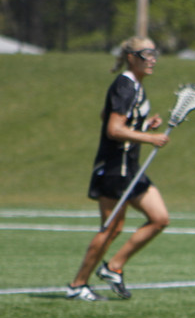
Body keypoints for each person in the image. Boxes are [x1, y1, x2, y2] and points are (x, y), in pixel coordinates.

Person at [66, 37, 171, 301]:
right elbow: (113, 129)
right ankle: (78, 284)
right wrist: (150, 138)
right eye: (147, 54)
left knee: (160, 219)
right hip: (115, 169)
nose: (153, 59)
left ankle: (113, 267)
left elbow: (107, 116)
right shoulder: (125, 86)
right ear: (132, 57)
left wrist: (144, 125)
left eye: (154, 53)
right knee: (111, 228)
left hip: (130, 167)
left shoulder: (134, 87)